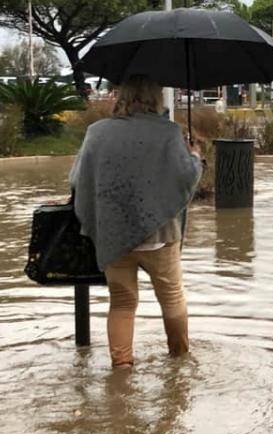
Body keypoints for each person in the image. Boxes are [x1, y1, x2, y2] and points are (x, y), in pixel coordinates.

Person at [69, 75, 202, 369]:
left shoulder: (97, 132)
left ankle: (122, 370)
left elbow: (78, 180)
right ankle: (179, 362)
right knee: (171, 297)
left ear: (121, 95)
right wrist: (195, 157)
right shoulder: (168, 133)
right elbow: (185, 178)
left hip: (113, 235)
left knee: (122, 303)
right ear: (156, 97)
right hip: (161, 235)